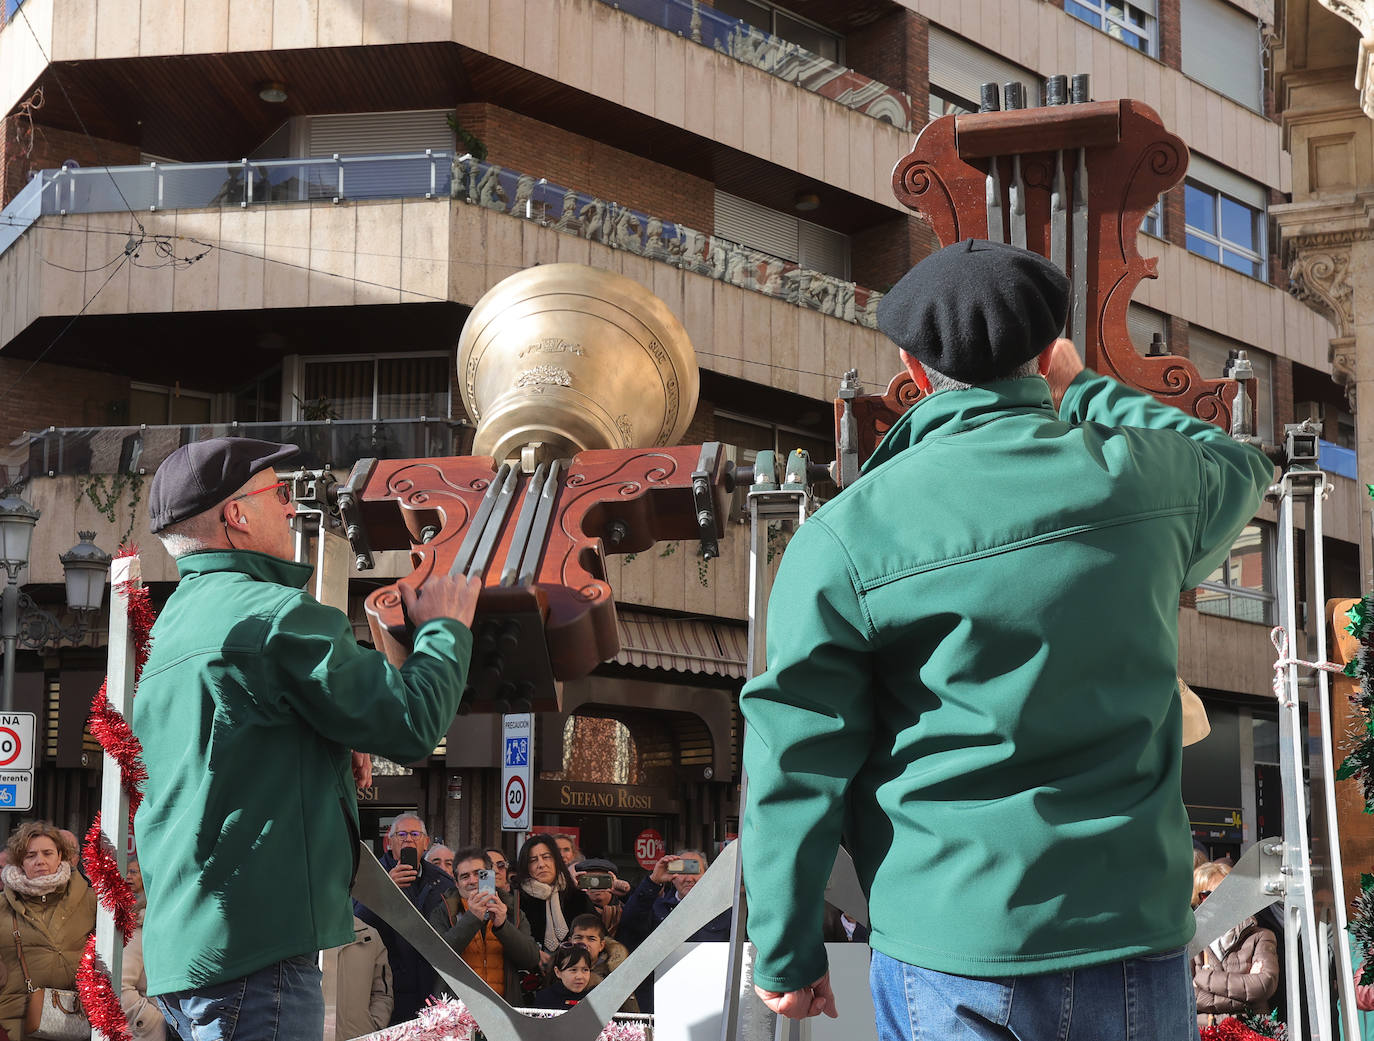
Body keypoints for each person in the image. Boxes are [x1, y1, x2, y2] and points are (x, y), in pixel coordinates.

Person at [738, 240, 1273, 1038]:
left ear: (914, 372)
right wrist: (1086, 386)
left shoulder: (846, 535)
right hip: (1127, 934)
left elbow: (795, 760)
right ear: (1043, 355)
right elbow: (1234, 461)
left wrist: (785, 952)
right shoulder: (1140, 478)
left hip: (947, 940)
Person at [132, 436, 480, 1040]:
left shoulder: (170, 629)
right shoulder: (276, 613)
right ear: (236, 516)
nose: (292, 508)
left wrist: (332, 750)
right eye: (279, 493)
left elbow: (233, 760)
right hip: (256, 953)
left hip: (192, 946)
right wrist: (448, 627)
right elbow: (412, 724)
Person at [354, 814, 455, 1025]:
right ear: (389, 843)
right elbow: (356, 924)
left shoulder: (442, 881)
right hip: (387, 983)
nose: (408, 839)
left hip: (432, 987)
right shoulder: (371, 875)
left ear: (426, 843)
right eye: (401, 834)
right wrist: (385, 890)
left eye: (415, 834)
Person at [0, 821, 97, 1038]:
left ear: (60, 856)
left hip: (74, 1018)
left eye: (47, 853)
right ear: (20, 861)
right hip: (15, 1023)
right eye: (30, 855)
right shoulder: (2, 906)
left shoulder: (90, 900)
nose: (40, 861)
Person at [621, 849, 729, 1014]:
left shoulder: (725, 911)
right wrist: (653, 881)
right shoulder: (657, 908)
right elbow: (630, 922)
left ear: (707, 875)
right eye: (681, 871)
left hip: (711, 997)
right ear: (672, 876)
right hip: (665, 997)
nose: (688, 878)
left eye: (694, 870)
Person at [429, 847, 539, 1004]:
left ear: (490, 876)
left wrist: (502, 926)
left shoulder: (511, 910)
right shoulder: (442, 912)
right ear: (457, 883)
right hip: (459, 1013)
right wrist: (472, 918)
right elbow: (438, 957)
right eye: (465, 876)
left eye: (479, 874)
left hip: (504, 1009)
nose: (473, 881)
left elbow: (531, 958)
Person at [1192, 862, 1279, 1029]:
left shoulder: (1260, 936)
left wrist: (1203, 978)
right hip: (1206, 1033)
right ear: (1198, 900)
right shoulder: (1190, 942)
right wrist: (1247, 998)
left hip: (1251, 1033)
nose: (1218, 902)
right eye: (1208, 895)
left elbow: (1264, 985)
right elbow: (1187, 996)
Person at [515, 835, 594, 962]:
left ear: (556, 860)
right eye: (533, 860)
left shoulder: (577, 897)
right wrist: (533, 954)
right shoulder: (517, 899)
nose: (541, 864)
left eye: (546, 857)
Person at [321, 916, 394, 1041]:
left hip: (360, 1035)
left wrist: (374, 1026)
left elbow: (382, 993)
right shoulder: (297, 938)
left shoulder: (370, 936)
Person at [120, 856, 168, 1040]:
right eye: (128, 871)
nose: (129, 877)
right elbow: (119, 983)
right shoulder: (141, 923)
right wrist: (150, 1021)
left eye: (134, 872)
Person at [568, 913, 637, 1011]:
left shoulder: (617, 974)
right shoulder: (559, 967)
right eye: (578, 938)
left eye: (591, 939)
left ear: (601, 945)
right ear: (570, 941)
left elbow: (631, 1013)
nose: (584, 943)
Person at [572, 858, 629, 939]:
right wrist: (572, 888)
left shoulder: (626, 908)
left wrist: (627, 890)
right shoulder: (575, 909)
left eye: (602, 881)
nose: (596, 886)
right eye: (590, 881)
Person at [532, 942, 595, 1010]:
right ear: (558, 972)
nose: (580, 976)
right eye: (573, 970)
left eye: (585, 970)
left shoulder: (595, 997)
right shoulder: (545, 999)